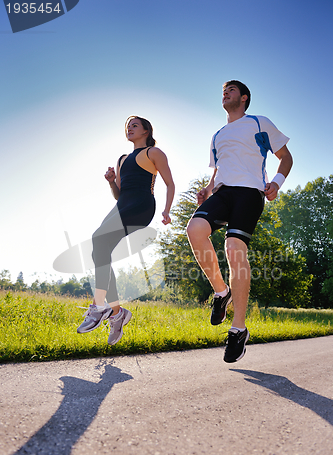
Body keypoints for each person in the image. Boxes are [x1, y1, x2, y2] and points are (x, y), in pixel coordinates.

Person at [186, 80, 293, 363]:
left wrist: (277, 183)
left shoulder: (259, 123)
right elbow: (219, 168)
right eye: (224, 90)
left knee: (234, 249)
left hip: (249, 193)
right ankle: (221, 292)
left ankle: (238, 329)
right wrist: (208, 190)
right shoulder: (218, 135)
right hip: (222, 193)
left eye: (231, 90)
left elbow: (285, 157)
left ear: (244, 98)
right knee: (194, 229)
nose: (226, 93)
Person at [77, 116, 175, 345]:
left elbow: (170, 183)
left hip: (141, 206)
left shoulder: (153, 153)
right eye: (127, 126)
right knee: (99, 251)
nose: (129, 129)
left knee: (97, 240)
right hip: (122, 205)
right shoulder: (122, 159)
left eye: (134, 125)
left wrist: (166, 210)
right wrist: (112, 181)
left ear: (146, 130)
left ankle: (99, 305)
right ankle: (117, 312)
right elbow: (120, 194)